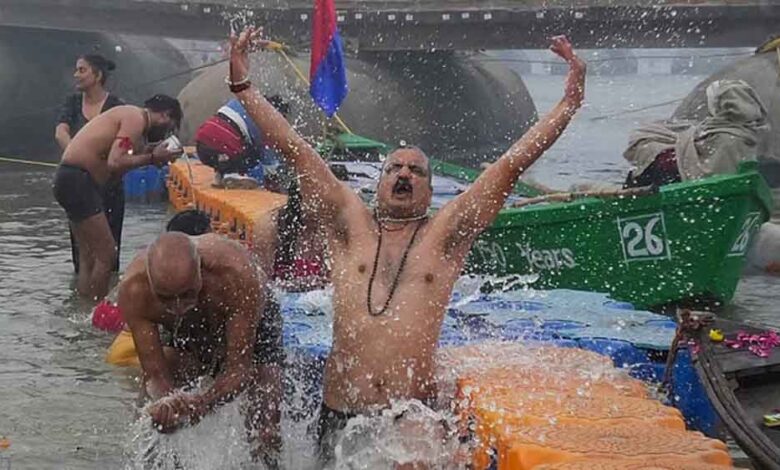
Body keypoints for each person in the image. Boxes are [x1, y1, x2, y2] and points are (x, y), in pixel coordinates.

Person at [228, 28, 586, 465]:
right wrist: (244, 89)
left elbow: (510, 166)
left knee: (416, 455)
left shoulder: (444, 236)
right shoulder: (349, 226)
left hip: (409, 414)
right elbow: (296, 151)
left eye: (416, 171)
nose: (403, 174)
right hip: (340, 412)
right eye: (394, 168)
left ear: (430, 190)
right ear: (379, 183)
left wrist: (568, 105)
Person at [118, 232, 283, 467]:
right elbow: (155, 375)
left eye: (187, 294)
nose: (178, 308)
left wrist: (204, 402)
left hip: (252, 318)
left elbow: (238, 371)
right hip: (184, 329)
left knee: (266, 428)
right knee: (154, 418)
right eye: (165, 299)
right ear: (151, 283)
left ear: (201, 273)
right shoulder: (134, 289)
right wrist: (168, 404)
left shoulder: (235, 274)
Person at [52, 94, 183, 299]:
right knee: (107, 254)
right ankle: (97, 309)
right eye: (170, 127)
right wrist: (151, 158)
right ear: (165, 115)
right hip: (78, 181)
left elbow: (117, 160)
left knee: (88, 255)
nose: (166, 133)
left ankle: (82, 307)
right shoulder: (136, 118)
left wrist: (147, 153)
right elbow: (115, 162)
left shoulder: (131, 121)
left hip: (68, 179)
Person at [55, 54, 126, 274]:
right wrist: (79, 155)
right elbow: (60, 132)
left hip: (108, 186)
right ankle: (82, 291)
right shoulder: (73, 102)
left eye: (82, 70)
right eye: (77, 70)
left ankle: (108, 291)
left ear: (98, 75)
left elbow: (124, 144)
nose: (76, 75)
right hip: (79, 184)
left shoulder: (116, 106)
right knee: (81, 251)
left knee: (109, 251)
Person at [93, 209, 213, 333]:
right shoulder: (179, 269)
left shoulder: (158, 256)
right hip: (117, 316)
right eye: (209, 236)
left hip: (104, 311)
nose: (212, 241)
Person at [195, 96, 289, 190]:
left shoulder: (244, 101)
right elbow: (268, 156)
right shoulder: (266, 120)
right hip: (224, 144)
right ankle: (231, 174)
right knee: (251, 154)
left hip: (202, 145)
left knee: (238, 140)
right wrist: (272, 180)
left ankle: (221, 171)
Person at [252, 180, 329, 292]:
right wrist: (297, 285)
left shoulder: (329, 228)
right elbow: (260, 284)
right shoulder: (270, 226)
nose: (319, 209)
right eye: (314, 202)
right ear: (297, 200)